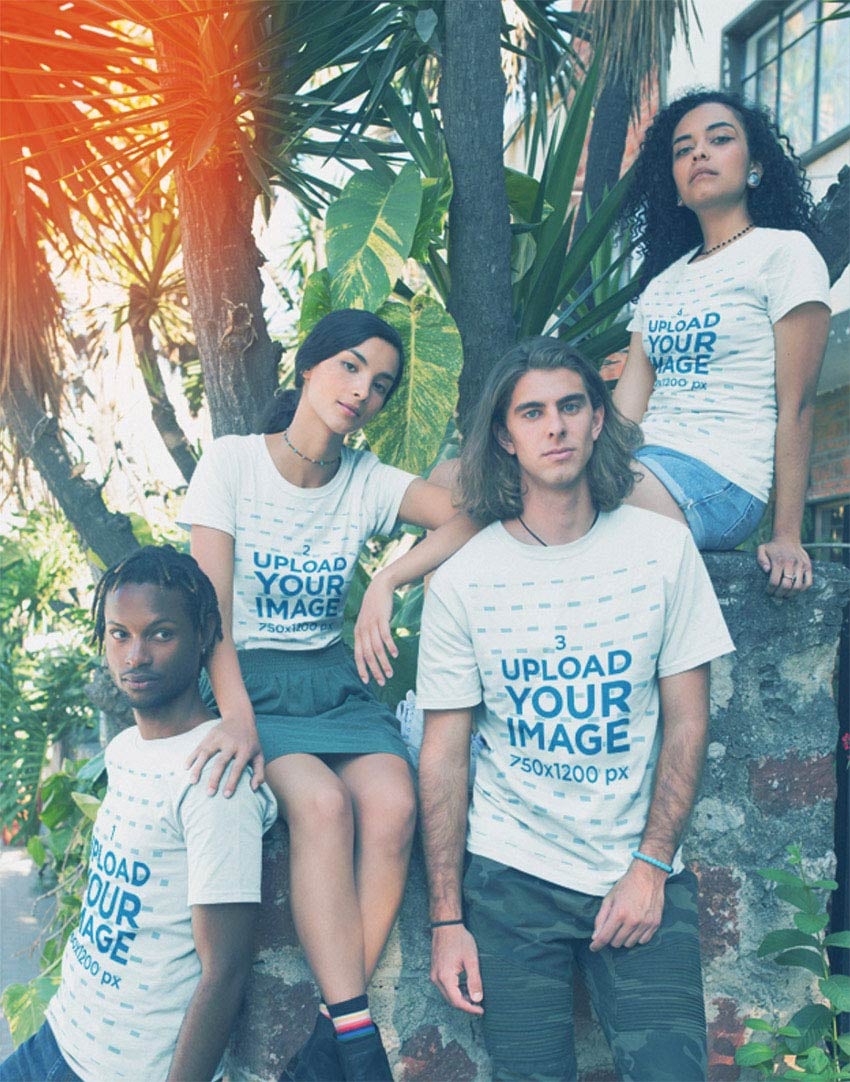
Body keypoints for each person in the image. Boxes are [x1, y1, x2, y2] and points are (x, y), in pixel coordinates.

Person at [416, 338, 735, 1082]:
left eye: (570, 406)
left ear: (598, 420)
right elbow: (443, 755)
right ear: (506, 435)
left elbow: (689, 718)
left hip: (638, 870)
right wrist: (445, 918)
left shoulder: (663, 551)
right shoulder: (466, 579)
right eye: (532, 412)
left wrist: (652, 867)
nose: (553, 426)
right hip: (510, 881)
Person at [179, 308, 477, 1081]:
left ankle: (325, 1033)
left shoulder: (367, 481)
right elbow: (208, 616)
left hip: (332, 683)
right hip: (248, 683)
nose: (361, 392)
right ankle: (355, 1040)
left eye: (380, 385)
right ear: (308, 367)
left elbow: (472, 515)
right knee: (321, 806)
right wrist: (237, 718)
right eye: (348, 367)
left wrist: (389, 575)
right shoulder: (232, 464)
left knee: (395, 803)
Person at [0, 546, 277, 1082]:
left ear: (202, 639)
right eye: (119, 634)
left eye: (160, 633)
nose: (135, 655)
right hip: (59, 1037)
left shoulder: (215, 779)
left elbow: (225, 971)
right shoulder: (125, 750)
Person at [616, 89, 831, 596]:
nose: (699, 153)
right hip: (642, 465)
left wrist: (785, 535)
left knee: (567, 495)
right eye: (683, 148)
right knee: (459, 480)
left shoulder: (785, 254)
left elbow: (796, 405)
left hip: (723, 479)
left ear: (754, 166)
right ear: (673, 182)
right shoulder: (661, 284)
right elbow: (626, 412)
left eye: (719, 139)